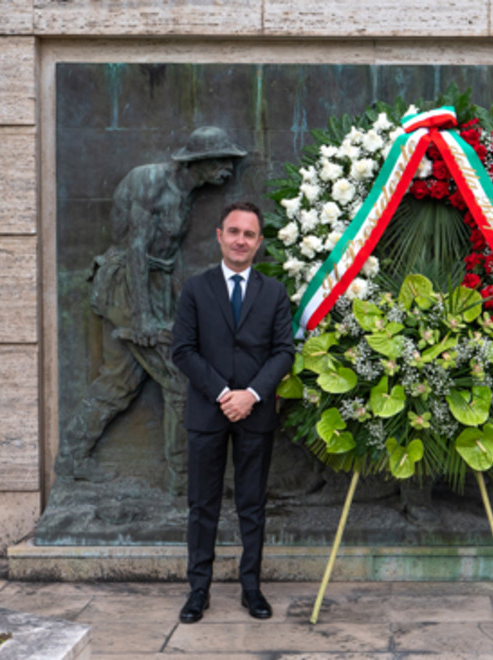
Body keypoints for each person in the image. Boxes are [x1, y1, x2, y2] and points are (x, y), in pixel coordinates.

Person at [55, 126, 246, 494]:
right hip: (126, 285)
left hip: (152, 285)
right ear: (200, 161)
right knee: (181, 379)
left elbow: (168, 257)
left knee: (120, 381)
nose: (229, 169)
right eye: (222, 160)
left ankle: (72, 457)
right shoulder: (150, 181)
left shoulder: (187, 192)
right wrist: (142, 317)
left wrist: (180, 309)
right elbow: (136, 251)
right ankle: (185, 479)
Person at [172, 201, 294, 624]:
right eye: (234, 231)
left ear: (259, 243)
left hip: (256, 415)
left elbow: (284, 352)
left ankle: (251, 588)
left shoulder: (274, 293)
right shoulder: (195, 289)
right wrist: (226, 393)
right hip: (208, 412)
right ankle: (198, 590)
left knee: (251, 504)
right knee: (202, 505)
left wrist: (253, 395)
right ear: (219, 236)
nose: (241, 239)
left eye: (249, 234)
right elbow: (183, 350)